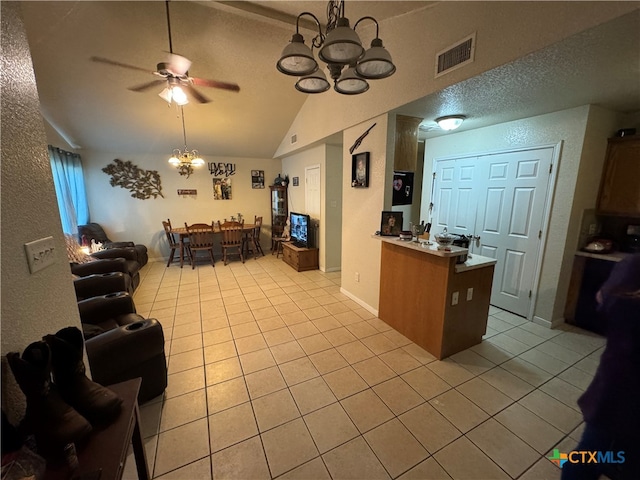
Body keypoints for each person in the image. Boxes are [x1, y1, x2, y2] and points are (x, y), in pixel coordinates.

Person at [561, 254, 640, 480]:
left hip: (619, 383)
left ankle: (611, 463)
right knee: (587, 457)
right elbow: (605, 301)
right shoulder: (634, 267)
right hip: (623, 389)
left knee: (616, 453)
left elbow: (603, 300)